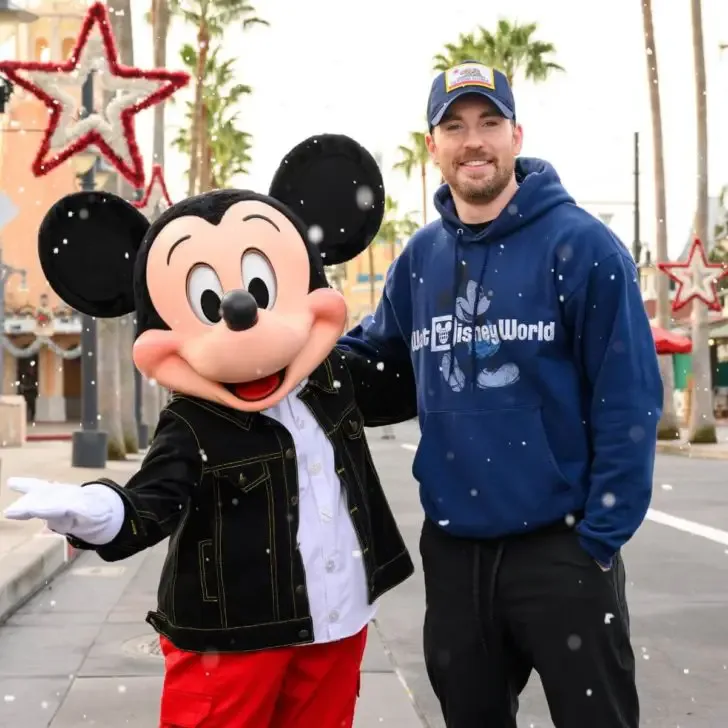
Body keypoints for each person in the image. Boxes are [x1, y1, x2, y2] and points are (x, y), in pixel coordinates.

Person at [4, 134, 416, 728]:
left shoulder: (333, 376)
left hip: (336, 622)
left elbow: (421, 379)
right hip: (231, 643)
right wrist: (102, 510)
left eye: (259, 290)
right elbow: (154, 500)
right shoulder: (192, 422)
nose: (243, 314)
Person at [338, 61, 663, 728]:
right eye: (453, 126)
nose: (473, 140)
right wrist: (294, 348)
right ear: (433, 145)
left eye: (489, 122)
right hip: (457, 556)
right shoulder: (420, 259)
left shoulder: (584, 247)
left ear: (517, 134)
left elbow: (628, 400)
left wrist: (598, 539)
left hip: (564, 551)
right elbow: (374, 367)